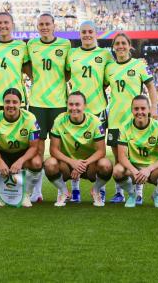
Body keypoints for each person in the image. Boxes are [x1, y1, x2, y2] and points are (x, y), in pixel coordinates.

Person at [105, 32, 158, 204]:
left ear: (129, 46)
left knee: (135, 157)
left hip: (134, 121)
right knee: (118, 159)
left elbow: (151, 86)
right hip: (114, 119)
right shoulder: (109, 68)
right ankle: (119, 192)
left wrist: (153, 108)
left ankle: (139, 191)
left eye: (123, 43)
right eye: (117, 43)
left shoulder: (139, 65)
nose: (120, 46)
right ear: (113, 47)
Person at [0, 12, 30, 202]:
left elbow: (27, 71)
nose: (3, 26)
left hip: (17, 101)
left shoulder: (21, 46)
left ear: (12, 25)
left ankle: (30, 190)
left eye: (6, 23)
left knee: (25, 144)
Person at [65, 20, 113, 202]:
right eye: (83, 32)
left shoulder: (105, 55)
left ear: (96, 33)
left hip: (98, 109)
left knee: (98, 150)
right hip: (76, 110)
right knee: (72, 148)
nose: (86, 35)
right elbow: (67, 76)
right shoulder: (72, 54)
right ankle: (75, 189)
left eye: (90, 32)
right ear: (79, 34)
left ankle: (98, 189)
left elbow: (108, 80)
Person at [25, 13, 71, 203]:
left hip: (59, 104)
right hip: (36, 104)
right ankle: (37, 191)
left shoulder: (65, 44)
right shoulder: (31, 45)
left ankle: (67, 189)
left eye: (47, 24)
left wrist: (57, 83)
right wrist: (37, 79)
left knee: (61, 148)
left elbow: (68, 71)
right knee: (37, 149)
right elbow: (26, 67)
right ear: (37, 27)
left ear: (54, 25)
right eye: (41, 24)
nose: (44, 27)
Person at [44, 91, 112, 207]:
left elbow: (101, 151)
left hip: (89, 165)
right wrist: (72, 162)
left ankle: (95, 190)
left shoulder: (95, 122)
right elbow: (53, 150)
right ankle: (64, 192)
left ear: (84, 106)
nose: (74, 108)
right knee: (49, 164)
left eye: (77, 104)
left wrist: (82, 164)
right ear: (67, 105)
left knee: (106, 164)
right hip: (67, 164)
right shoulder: (59, 120)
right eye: (71, 104)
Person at [113, 95, 158, 208]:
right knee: (117, 170)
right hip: (134, 169)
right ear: (132, 110)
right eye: (136, 109)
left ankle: (157, 195)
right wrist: (134, 171)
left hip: (153, 170)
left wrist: (148, 169)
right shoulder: (125, 127)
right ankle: (132, 195)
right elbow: (121, 157)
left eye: (143, 108)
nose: (139, 112)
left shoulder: (157, 127)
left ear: (148, 110)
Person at [0, 88, 42, 208]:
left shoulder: (30, 118)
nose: (11, 105)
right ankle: (1, 194)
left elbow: (34, 147)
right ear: (3, 103)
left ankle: (26, 194)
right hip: (2, 152)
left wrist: (21, 161)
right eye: (7, 102)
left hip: (23, 152)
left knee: (36, 163)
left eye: (15, 102)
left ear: (20, 103)